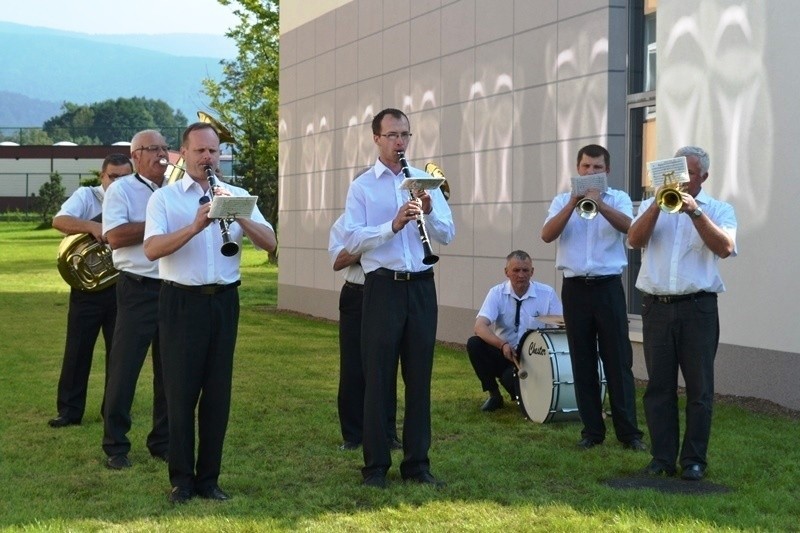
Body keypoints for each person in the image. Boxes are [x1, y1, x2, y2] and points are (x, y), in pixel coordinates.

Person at [143, 122, 277, 504]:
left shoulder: (236, 194)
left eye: (214, 152)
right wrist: (197, 224)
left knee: (218, 394)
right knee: (181, 394)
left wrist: (240, 216)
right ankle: (181, 481)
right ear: (183, 154)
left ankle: (209, 480)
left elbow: (271, 243)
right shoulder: (165, 200)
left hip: (224, 301)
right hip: (181, 302)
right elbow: (152, 249)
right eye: (200, 151)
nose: (207, 158)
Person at [342, 108, 455, 489]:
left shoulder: (425, 183)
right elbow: (353, 240)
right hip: (382, 286)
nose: (400, 142)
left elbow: (448, 234)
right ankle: (375, 467)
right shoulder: (362, 187)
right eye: (392, 135)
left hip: (421, 285)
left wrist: (429, 210)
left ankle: (417, 465)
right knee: (377, 378)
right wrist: (392, 224)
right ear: (376, 138)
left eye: (405, 134)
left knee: (419, 379)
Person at [628, 146, 737, 481]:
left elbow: (726, 248)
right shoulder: (652, 204)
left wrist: (695, 213)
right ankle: (662, 458)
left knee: (699, 389)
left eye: (689, 173)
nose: (682, 179)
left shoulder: (719, 209)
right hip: (656, 308)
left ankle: (693, 460)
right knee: (658, 387)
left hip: (698, 308)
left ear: (703, 176)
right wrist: (659, 206)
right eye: (677, 171)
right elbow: (633, 240)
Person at [541, 144, 645, 451]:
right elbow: (547, 235)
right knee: (582, 361)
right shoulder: (563, 199)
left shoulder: (620, 199)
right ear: (578, 169)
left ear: (607, 171)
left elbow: (632, 229)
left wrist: (600, 205)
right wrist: (573, 203)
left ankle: (629, 434)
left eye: (597, 168)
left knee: (618, 361)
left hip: (608, 287)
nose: (590, 173)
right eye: (585, 167)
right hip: (575, 290)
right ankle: (592, 432)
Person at [101, 130, 170, 470]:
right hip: (137, 288)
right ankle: (115, 445)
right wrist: (160, 223)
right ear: (135, 155)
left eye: (165, 148)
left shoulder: (177, 188)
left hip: (173, 288)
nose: (161, 154)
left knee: (170, 371)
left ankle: (163, 441)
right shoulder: (121, 189)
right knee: (125, 368)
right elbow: (114, 236)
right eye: (153, 149)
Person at [48, 153, 133, 428]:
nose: (119, 182)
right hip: (88, 289)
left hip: (124, 286)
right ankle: (69, 412)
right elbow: (59, 221)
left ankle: (112, 411)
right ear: (102, 176)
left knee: (119, 355)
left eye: (125, 177)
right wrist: (92, 226)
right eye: (114, 177)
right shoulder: (88, 196)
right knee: (77, 350)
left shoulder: (138, 197)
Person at [328, 213, 401, 451]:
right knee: (352, 365)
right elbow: (338, 260)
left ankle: (387, 433)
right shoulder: (344, 224)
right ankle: (353, 434)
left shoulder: (391, 221)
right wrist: (369, 244)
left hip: (385, 294)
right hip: (356, 294)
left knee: (385, 364)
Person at [466, 250, 563, 412]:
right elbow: (480, 326)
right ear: (507, 272)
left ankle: (517, 387)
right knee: (474, 344)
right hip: (503, 351)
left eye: (525, 270)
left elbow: (559, 327)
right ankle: (494, 395)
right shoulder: (496, 293)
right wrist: (502, 344)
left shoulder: (547, 294)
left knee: (510, 381)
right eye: (516, 270)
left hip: (534, 358)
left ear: (532, 272)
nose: (521, 275)